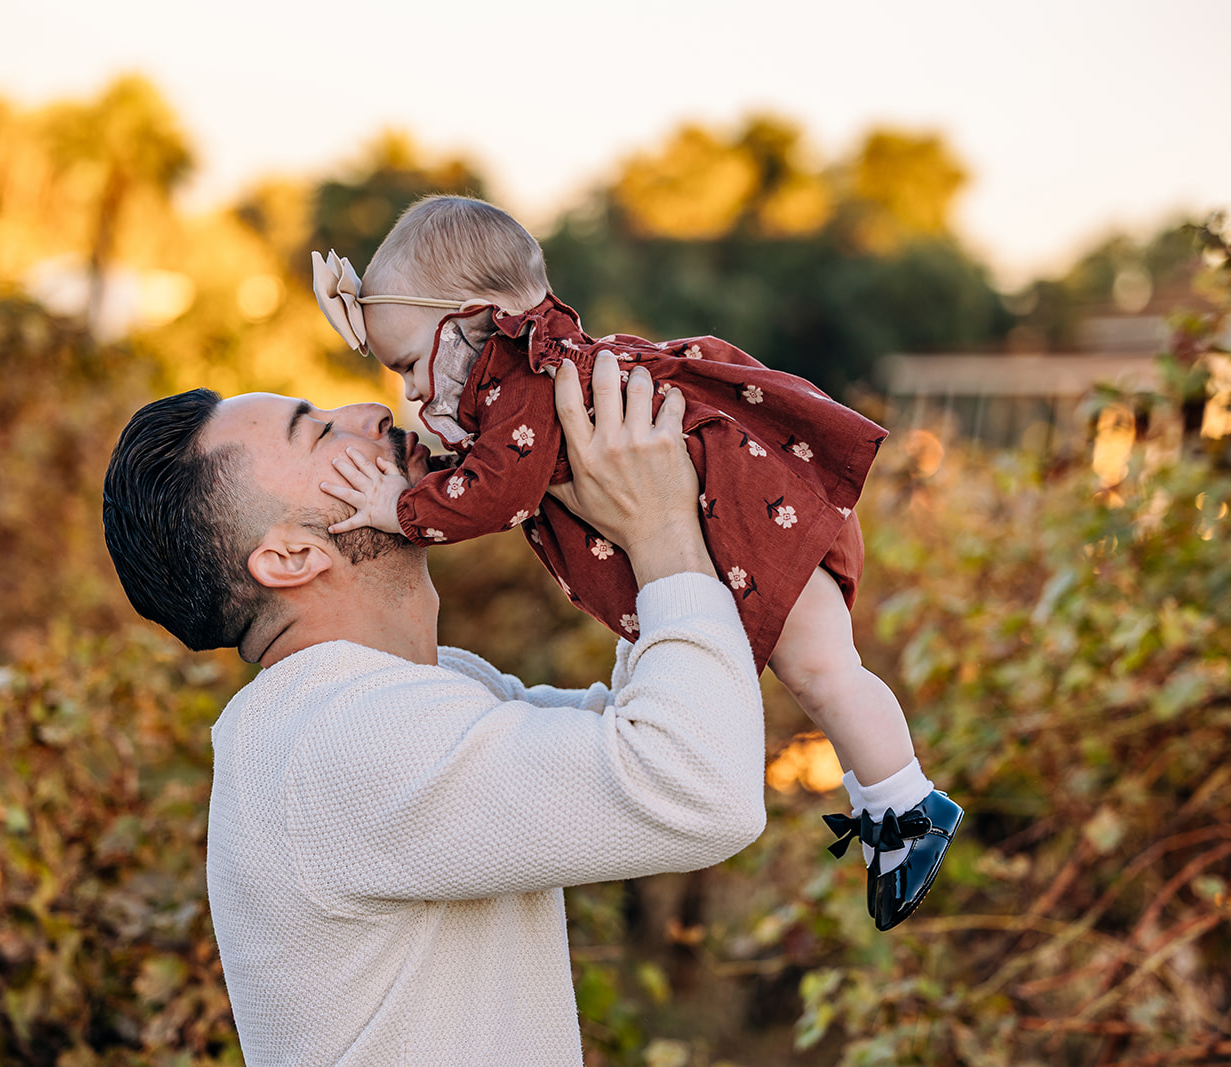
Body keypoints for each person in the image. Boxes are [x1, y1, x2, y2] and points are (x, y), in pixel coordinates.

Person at [311, 195, 960, 930]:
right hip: (740, 528)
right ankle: (891, 805)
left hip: (759, 525)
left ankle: (906, 804)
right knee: (813, 673)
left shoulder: (527, 380)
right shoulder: (507, 388)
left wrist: (403, 510)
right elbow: (476, 464)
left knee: (822, 670)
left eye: (407, 363)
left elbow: (497, 493)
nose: (411, 391)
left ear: (474, 317)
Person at [102, 353, 767, 1065]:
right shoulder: (349, 738)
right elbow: (700, 784)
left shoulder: (397, 696)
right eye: (320, 433)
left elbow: (656, 723)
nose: (369, 414)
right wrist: (660, 527)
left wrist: (591, 505)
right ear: (292, 555)